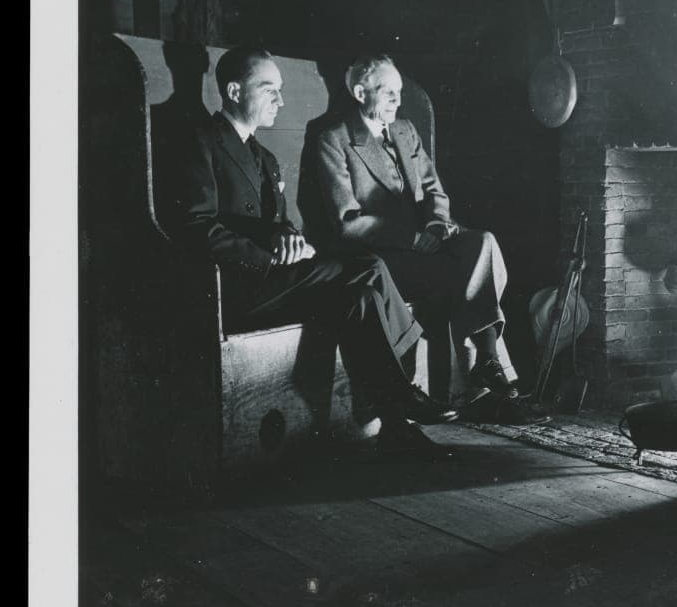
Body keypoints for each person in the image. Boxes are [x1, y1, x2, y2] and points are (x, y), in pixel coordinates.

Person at [162, 44, 457, 457]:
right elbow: (195, 227)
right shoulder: (201, 140)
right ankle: (405, 390)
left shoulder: (262, 155)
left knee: (360, 295)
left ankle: (395, 423)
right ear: (233, 92)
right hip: (233, 286)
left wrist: (288, 236)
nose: (280, 101)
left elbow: (276, 220)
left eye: (280, 90)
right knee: (368, 264)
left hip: (272, 280)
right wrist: (267, 255)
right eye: (269, 90)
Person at [301, 54, 544, 424]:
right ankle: (490, 389)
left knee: (484, 243)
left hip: (426, 243)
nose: (397, 101)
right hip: (383, 256)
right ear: (359, 91)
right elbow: (347, 222)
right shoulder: (333, 140)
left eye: (399, 92)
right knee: (465, 277)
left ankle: (488, 359)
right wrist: (412, 239)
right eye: (388, 93)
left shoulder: (405, 130)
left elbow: (435, 192)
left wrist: (434, 227)